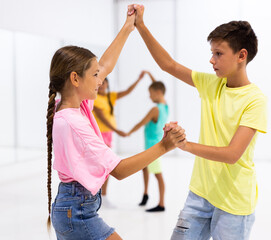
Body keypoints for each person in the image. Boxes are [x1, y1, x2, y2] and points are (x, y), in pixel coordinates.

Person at [46, 6, 186, 240]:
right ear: (75, 79)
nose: (100, 81)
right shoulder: (73, 122)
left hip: (71, 207)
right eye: (94, 76)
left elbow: (105, 65)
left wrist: (128, 27)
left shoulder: (69, 104)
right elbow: (119, 170)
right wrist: (164, 146)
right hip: (77, 213)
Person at [130, 4, 267, 240]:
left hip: (234, 204)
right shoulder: (211, 83)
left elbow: (232, 154)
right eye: (212, 52)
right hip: (199, 195)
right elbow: (168, 65)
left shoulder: (256, 100)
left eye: (218, 53)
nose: (211, 60)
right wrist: (140, 26)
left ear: (241, 56)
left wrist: (183, 144)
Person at [92, 73, 144, 207]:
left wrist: (138, 79)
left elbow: (127, 91)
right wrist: (117, 130)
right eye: (101, 83)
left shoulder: (110, 97)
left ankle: (102, 196)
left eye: (105, 83)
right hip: (98, 135)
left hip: (108, 135)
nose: (102, 85)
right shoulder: (94, 98)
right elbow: (101, 117)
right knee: (102, 166)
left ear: (108, 84)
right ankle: (97, 196)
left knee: (105, 166)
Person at [127, 70, 168, 212]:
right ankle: (145, 194)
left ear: (157, 92)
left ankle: (161, 204)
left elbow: (141, 123)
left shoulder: (154, 110)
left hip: (152, 147)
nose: (149, 96)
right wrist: (149, 75)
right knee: (144, 168)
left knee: (158, 174)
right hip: (152, 144)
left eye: (150, 93)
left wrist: (128, 132)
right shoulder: (165, 105)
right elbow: (158, 87)